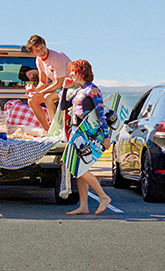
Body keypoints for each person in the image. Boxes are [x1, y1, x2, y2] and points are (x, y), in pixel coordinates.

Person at [60, 59, 112, 215]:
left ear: (79, 72)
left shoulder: (92, 90)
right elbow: (63, 106)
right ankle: (84, 206)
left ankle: (103, 196)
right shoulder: (78, 91)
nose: (70, 75)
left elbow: (101, 113)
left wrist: (106, 135)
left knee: (76, 167)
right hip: (77, 132)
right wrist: (64, 88)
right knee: (78, 169)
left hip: (88, 133)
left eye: (72, 71)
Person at [25, 35, 72, 131]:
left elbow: (59, 83)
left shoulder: (57, 57)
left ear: (45, 45)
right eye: (37, 51)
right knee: (32, 101)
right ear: (33, 52)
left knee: (48, 97)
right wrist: (34, 91)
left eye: (42, 48)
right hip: (60, 88)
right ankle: (49, 131)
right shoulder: (39, 60)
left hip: (71, 87)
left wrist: (40, 92)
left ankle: (57, 131)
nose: (41, 52)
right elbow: (43, 82)